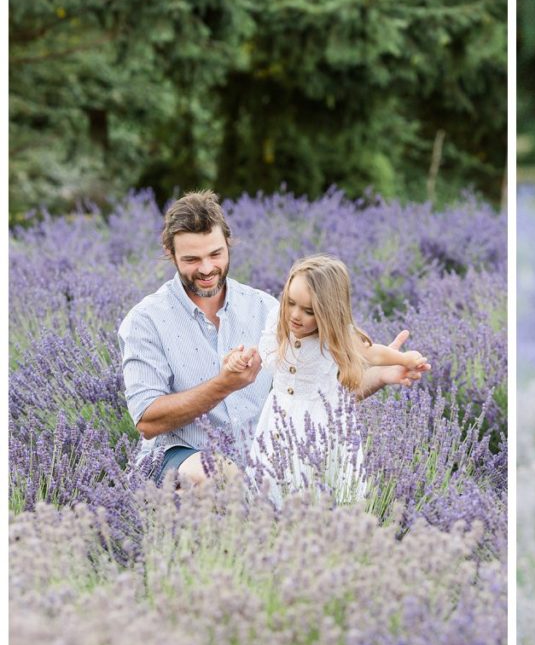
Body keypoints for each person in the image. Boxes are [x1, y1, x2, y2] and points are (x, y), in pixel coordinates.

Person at [118, 190, 426, 488]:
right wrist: (225, 384)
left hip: (266, 456)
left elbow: (312, 390)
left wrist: (383, 374)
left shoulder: (269, 310)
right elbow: (148, 421)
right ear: (170, 255)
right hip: (180, 454)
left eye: (215, 254)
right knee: (219, 478)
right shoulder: (146, 321)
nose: (207, 268)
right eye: (191, 259)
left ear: (229, 243)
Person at [242, 255, 428, 505]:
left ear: (327, 313)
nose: (295, 315)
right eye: (291, 303)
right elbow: (265, 354)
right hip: (276, 420)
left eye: (308, 311)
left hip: (319, 428)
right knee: (270, 485)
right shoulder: (278, 320)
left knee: (312, 486)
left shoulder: (335, 337)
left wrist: (404, 359)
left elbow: (372, 353)